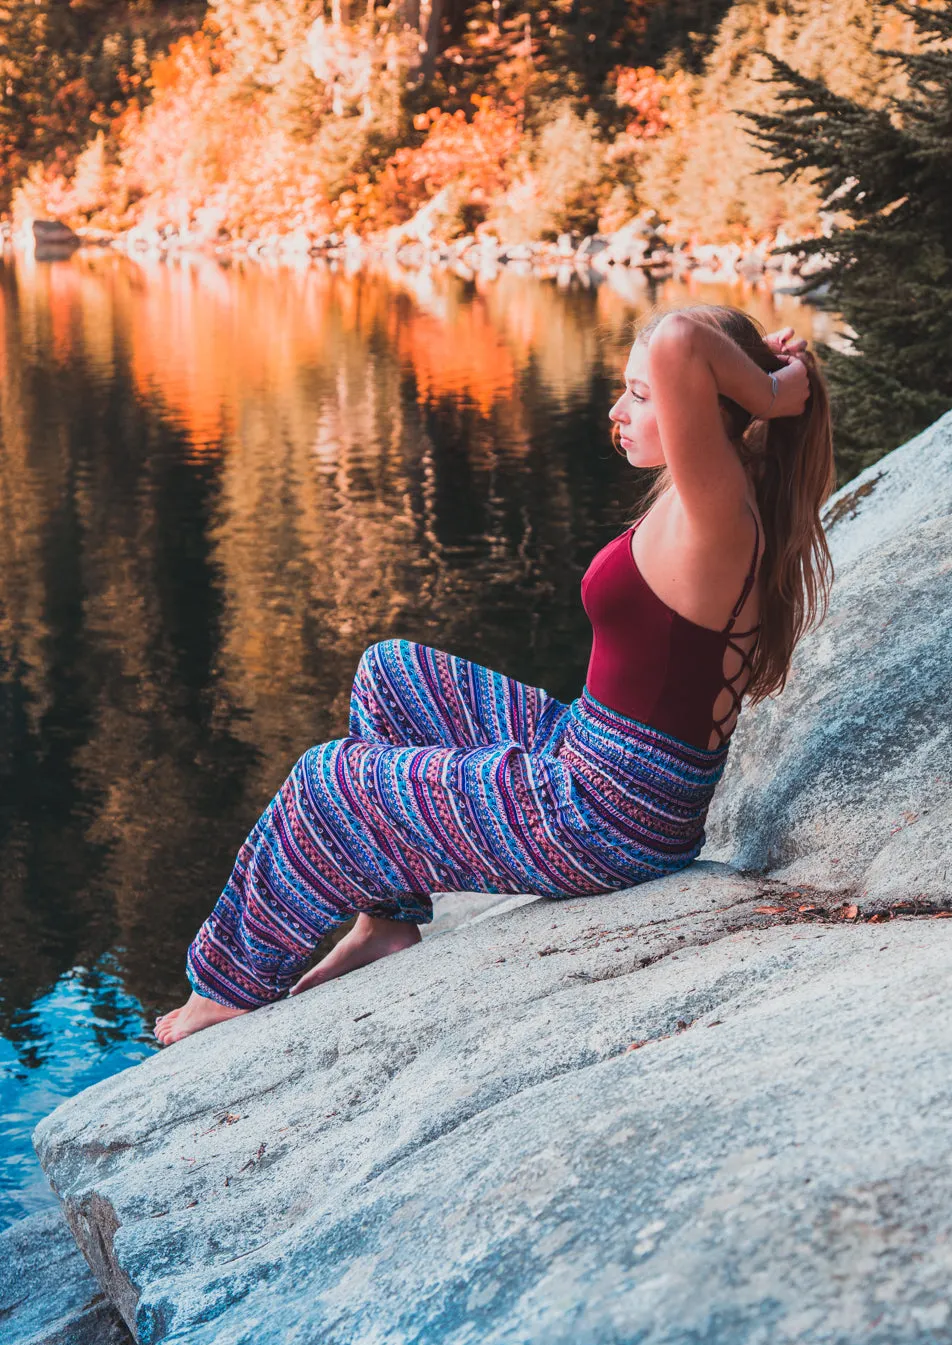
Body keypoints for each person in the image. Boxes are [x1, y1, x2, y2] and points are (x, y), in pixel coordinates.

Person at [154, 304, 834, 1045]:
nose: (620, 410)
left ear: (698, 402)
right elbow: (688, 356)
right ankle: (386, 924)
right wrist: (753, 374)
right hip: (589, 749)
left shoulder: (720, 512)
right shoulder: (725, 485)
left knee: (329, 782)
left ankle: (226, 990)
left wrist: (769, 390)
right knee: (391, 671)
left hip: (613, 817)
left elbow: (678, 341)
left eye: (642, 393)